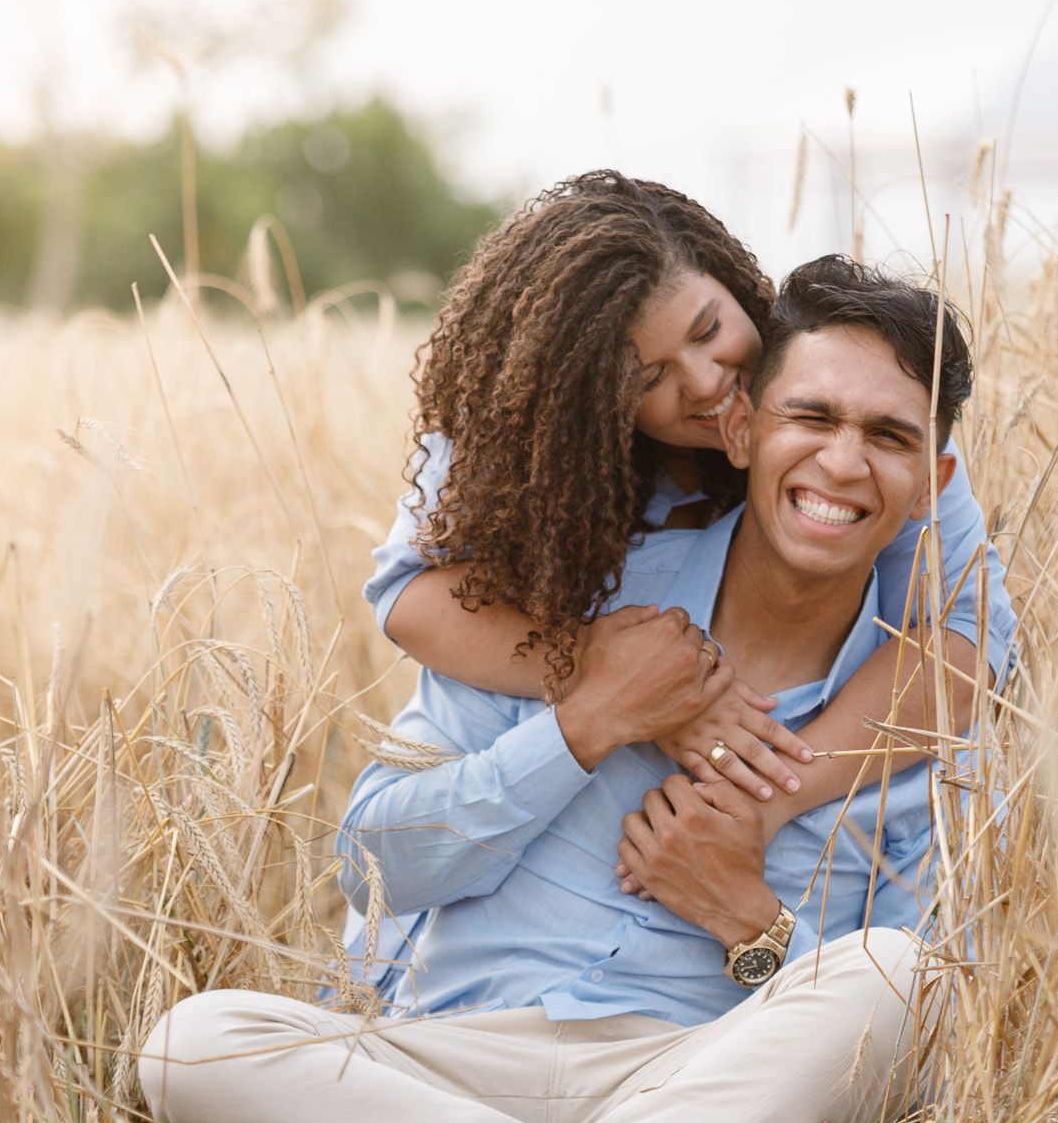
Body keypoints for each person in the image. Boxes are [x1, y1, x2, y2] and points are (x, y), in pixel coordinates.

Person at [140, 257, 1009, 1123]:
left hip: (698, 1074)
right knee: (193, 1049)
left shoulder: (914, 716)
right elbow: (372, 860)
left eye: (888, 437)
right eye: (810, 416)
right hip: (457, 1064)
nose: (842, 460)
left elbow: (911, 1037)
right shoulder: (561, 611)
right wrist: (582, 725)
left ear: (937, 481)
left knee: (901, 975)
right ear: (740, 430)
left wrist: (752, 923)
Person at [354, 173, 1014, 923]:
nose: (706, 386)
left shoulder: (856, 422)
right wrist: (625, 690)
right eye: (650, 377)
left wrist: (762, 794)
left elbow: (965, 640)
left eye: (708, 332)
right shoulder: (520, 443)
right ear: (586, 399)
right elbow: (413, 601)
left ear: (733, 284)